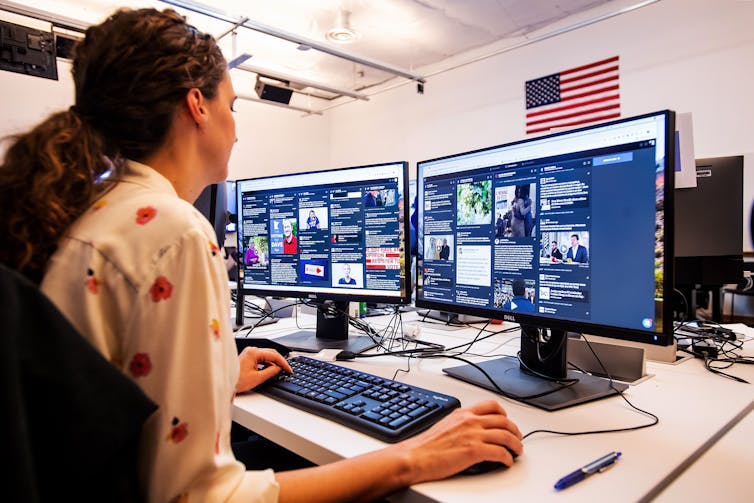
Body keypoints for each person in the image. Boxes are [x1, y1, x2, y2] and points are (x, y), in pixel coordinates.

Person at [0, 8, 522, 503]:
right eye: (231, 105)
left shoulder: (102, 212)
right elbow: (200, 496)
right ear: (196, 105)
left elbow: (114, 395)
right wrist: (412, 458)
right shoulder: (173, 231)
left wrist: (220, 377)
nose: (236, 127)